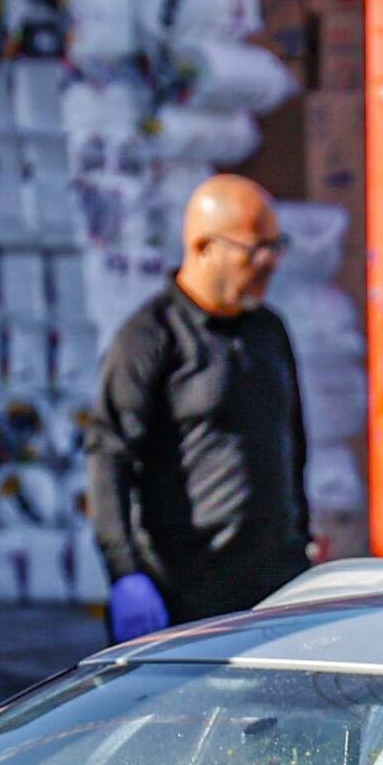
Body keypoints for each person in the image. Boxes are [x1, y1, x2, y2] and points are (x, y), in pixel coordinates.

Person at [85, 172, 310, 637]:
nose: (270, 262)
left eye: (277, 246)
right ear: (204, 248)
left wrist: (301, 531)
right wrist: (125, 573)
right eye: (255, 249)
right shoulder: (150, 338)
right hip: (185, 593)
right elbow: (108, 457)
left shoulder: (269, 330)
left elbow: (293, 440)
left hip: (274, 587)